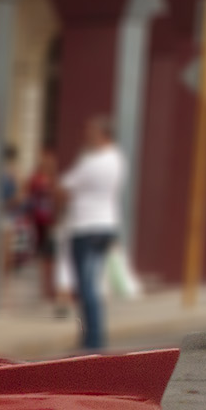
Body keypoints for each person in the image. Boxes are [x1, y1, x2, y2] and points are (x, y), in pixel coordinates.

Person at [61, 116, 125, 351]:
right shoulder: (117, 159)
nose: (87, 137)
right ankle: (92, 338)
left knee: (86, 287)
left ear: (103, 136)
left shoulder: (94, 161)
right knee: (91, 286)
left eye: (92, 133)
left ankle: (92, 341)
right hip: (105, 227)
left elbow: (66, 187)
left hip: (86, 228)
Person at [25, 147, 62, 312]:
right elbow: (28, 193)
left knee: (51, 255)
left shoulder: (56, 180)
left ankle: (51, 289)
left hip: (51, 221)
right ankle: (44, 288)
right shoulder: (36, 178)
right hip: (38, 219)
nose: (48, 164)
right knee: (43, 253)